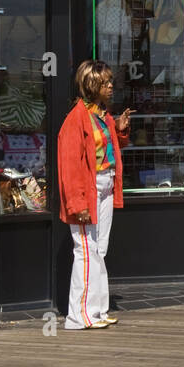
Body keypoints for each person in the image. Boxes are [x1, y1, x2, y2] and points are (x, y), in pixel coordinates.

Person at [58, 60, 132, 330]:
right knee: (86, 251)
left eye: (110, 81)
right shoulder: (76, 119)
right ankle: (79, 316)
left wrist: (121, 130)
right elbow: (70, 166)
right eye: (105, 82)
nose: (111, 86)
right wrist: (77, 203)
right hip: (88, 189)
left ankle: (97, 311)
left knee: (98, 249)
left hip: (105, 184)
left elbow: (108, 149)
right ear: (91, 85)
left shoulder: (102, 115)